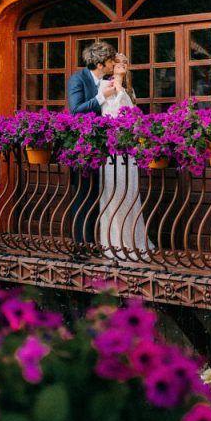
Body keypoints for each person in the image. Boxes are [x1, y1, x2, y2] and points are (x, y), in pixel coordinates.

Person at [98, 53, 152, 260]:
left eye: (125, 62)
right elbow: (105, 112)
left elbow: (133, 116)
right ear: (111, 66)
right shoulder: (104, 86)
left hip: (127, 149)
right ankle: (113, 243)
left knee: (129, 193)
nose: (122, 65)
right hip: (111, 150)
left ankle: (130, 241)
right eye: (118, 62)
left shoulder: (129, 90)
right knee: (113, 192)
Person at [65, 40, 117, 251]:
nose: (113, 63)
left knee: (95, 195)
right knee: (83, 196)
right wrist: (100, 97)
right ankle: (80, 245)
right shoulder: (77, 79)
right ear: (102, 62)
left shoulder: (106, 80)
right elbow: (76, 110)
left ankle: (92, 241)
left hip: (101, 150)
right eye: (111, 60)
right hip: (81, 150)